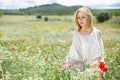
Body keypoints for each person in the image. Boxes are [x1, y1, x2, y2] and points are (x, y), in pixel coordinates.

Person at [62, 7, 107, 77]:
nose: (80, 20)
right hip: (82, 69)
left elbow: (100, 54)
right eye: (78, 18)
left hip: (96, 67)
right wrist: (68, 64)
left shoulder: (97, 33)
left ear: (89, 18)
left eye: (83, 17)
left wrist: (96, 67)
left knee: (99, 73)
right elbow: (75, 55)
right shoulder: (76, 35)